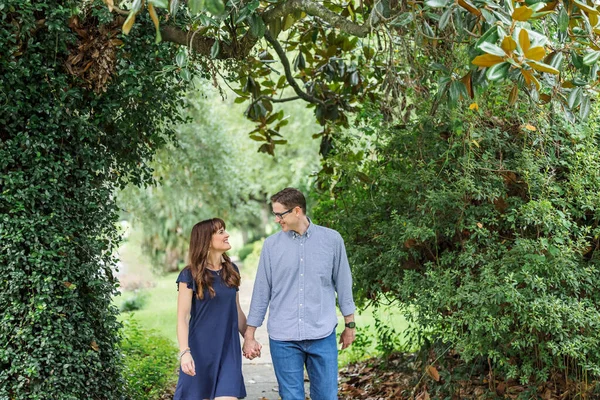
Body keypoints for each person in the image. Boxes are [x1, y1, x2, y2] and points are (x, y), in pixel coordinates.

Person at [243, 188, 356, 400]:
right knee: (291, 397)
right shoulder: (271, 246)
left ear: (297, 211)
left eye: (280, 214)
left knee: (327, 397)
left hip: (321, 334)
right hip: (283, 338)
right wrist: (250, 335)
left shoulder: (332, 240)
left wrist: (349, 325)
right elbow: (261, 292)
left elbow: (343, 284)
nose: (277, 220)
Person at [174, 218, 253, 400]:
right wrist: (185, 353)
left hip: (228, 351)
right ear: (206, 240)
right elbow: (182, 318)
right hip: (200, 352)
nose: (227, 235)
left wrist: (249, 337)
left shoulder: (231, 270)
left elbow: (237, 310)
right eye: (220, 232)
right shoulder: (189, 275)